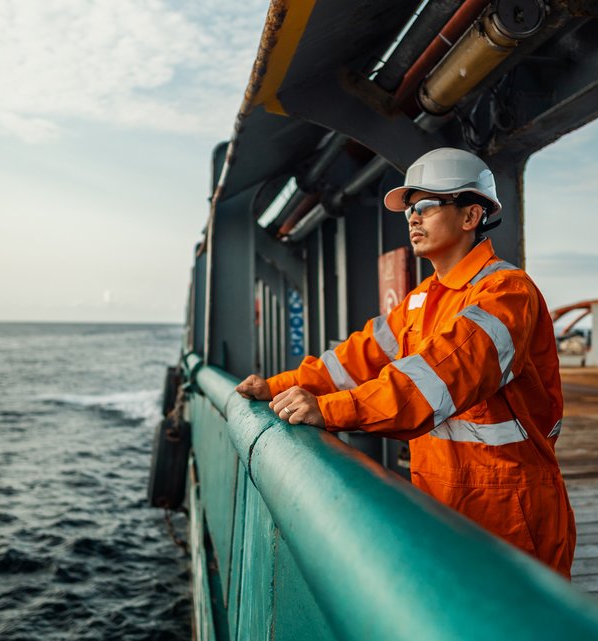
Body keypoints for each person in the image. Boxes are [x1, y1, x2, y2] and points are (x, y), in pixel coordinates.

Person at [236, 147, 576, 578]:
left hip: (508, 510)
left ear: (471, 216)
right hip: (440, 501)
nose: (413, 218)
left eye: (428, 206)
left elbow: (438, 379)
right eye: (410, 209)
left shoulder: (506, 294)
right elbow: (352, 361)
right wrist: (278, 386)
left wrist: (329, 410)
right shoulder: (422, 300)